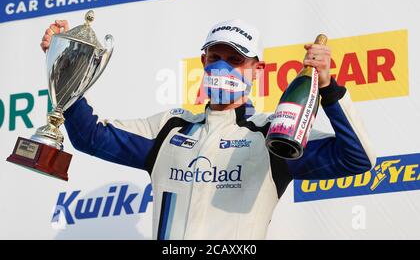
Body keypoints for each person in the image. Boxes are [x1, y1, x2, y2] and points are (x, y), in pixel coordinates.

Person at [40, 19, 376, 240]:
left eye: (234, 60)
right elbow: (91, 137)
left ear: (256, 70)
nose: (220, 66)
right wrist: (64, 64)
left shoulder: (271, 133)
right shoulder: (170, 127)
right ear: (202, 62)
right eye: (214, 56)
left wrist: (329, 88)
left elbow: (356, 158)